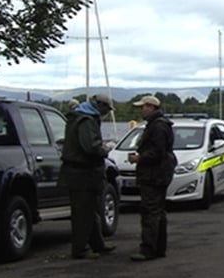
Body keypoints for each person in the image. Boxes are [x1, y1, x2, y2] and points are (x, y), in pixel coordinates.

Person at [59, 94, 117, 259]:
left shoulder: (78, 117)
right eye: (106, 108)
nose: (106, 113)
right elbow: (90, 148)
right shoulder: (86, 120)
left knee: (90, 211)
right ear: (99, 105)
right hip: (82, 173)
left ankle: (97, 245)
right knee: (82, 213)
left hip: (80, 172)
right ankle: (80, 249)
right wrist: (105, 150)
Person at [128, 95, 176, 262]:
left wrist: (140, 158)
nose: (141, 110)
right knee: (158, 211)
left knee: (150, 211)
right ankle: (158, 247)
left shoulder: (157, 127)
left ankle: (148, 249)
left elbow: (157, 152)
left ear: (151, 107)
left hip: (154, 174)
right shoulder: (159, 125)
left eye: (143, 107)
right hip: (159, 173)